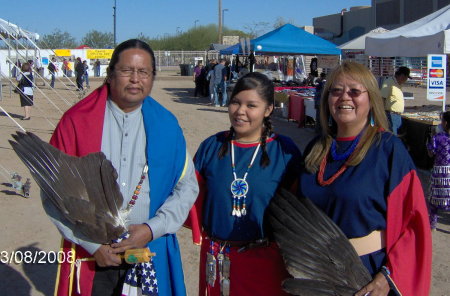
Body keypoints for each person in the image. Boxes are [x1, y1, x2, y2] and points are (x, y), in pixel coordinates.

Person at [43, 39, 199, 296]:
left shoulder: (167, 126)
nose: (135, 79)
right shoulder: (76, 122)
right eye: (127, 70)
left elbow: (186, 186)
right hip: (95, 257)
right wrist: (92, 245)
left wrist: (152, 229)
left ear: (152, 77)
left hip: (149, 250)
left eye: (143, 72)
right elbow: (53, 192)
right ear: (110, 74)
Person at [298, 61, 431, 295]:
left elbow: (414, 222)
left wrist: (387, 275)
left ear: (370, 100)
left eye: (355, 91)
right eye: (336, 91)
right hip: (314, 274)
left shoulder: (389, 150)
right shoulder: (315, 149)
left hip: (365, 274)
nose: (344, 97)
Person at [190, 72, 301, 295]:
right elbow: (190, 199)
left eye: (251, 105)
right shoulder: (212, 146)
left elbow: (298, 212)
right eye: (235, 102)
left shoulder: (284, 151)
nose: (240, 111)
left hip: (266, 262)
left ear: (268, 110)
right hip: (217, 257)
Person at [426, 111, 450, 230]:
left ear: (445, 123)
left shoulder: (437, 138)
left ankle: (433, 224)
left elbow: (431, 153)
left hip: (440, 173)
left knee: (434, 201)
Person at [380, 66, 411, 135]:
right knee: (393, 135)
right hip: (391, 115)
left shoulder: (398, 84)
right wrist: (382, 114)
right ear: (402, 76)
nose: (406, 80)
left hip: (397, 116)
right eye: (406, 78)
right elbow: (382, 98)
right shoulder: (389, 82)